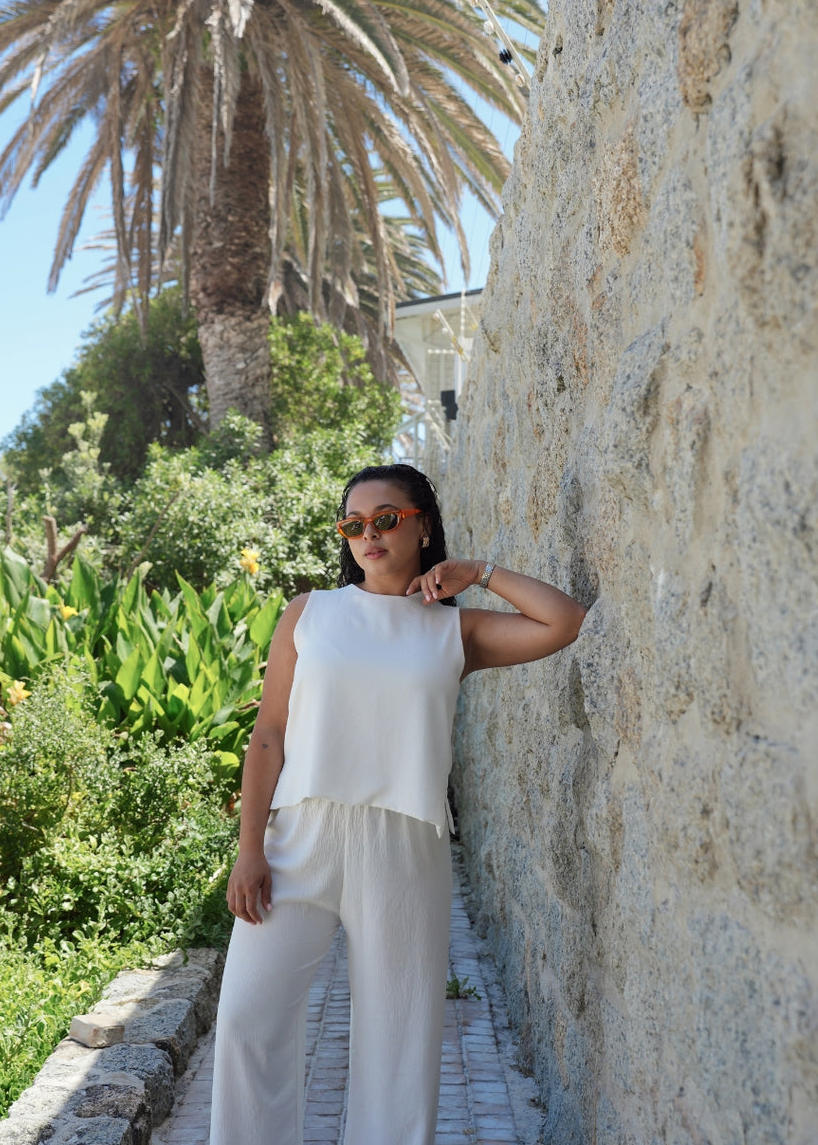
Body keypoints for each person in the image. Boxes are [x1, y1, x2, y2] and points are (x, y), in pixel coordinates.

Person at [208, 464, 587, 1145]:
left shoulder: (454, 630)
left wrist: (481, 571)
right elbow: (268, 733)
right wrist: (249, 848)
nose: (368, 535)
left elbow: (563, 622)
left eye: (386, 518)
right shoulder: (310, 613)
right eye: (353, 524)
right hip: (301, 836)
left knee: (400, 1044)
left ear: (423, 525)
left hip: (405, 845)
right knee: (246, 1019)